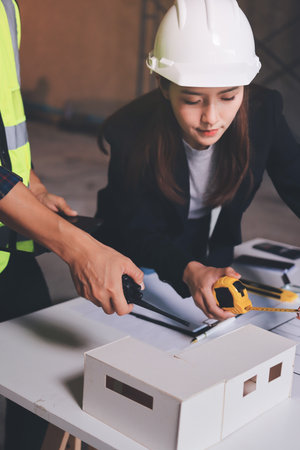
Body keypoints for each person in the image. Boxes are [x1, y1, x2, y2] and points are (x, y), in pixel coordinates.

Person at [96, 0, 300, 322]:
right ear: (163, 85)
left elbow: (295, 178)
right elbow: (138, 228)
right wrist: (188, 270)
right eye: (192, 100)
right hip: (134, 263)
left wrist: (201, 269)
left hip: (206, 254)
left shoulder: (264, 112)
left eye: (229, 97)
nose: (211, 118)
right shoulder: (130, 130)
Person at [0, 1, 142, 448]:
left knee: (34, 387)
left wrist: (34, 186)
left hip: (7, 251)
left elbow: (7, 119)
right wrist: (78, 249)